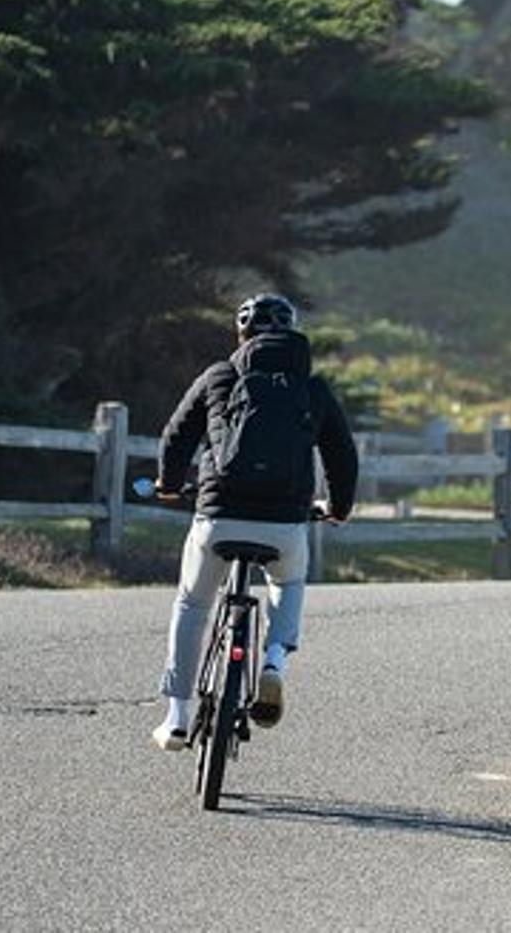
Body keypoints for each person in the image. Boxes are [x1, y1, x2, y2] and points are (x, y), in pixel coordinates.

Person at [149, 292, 357, 751]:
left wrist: (168, 484)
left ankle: (178, 716)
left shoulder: (218, 376)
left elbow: (177, 436)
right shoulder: (312, 387)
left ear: (240, 334)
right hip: (285, 521)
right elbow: (342, 455)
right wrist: (337, 508)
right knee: (289, 584)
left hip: (218, 517)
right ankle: (274, 663)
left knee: (192, 604)